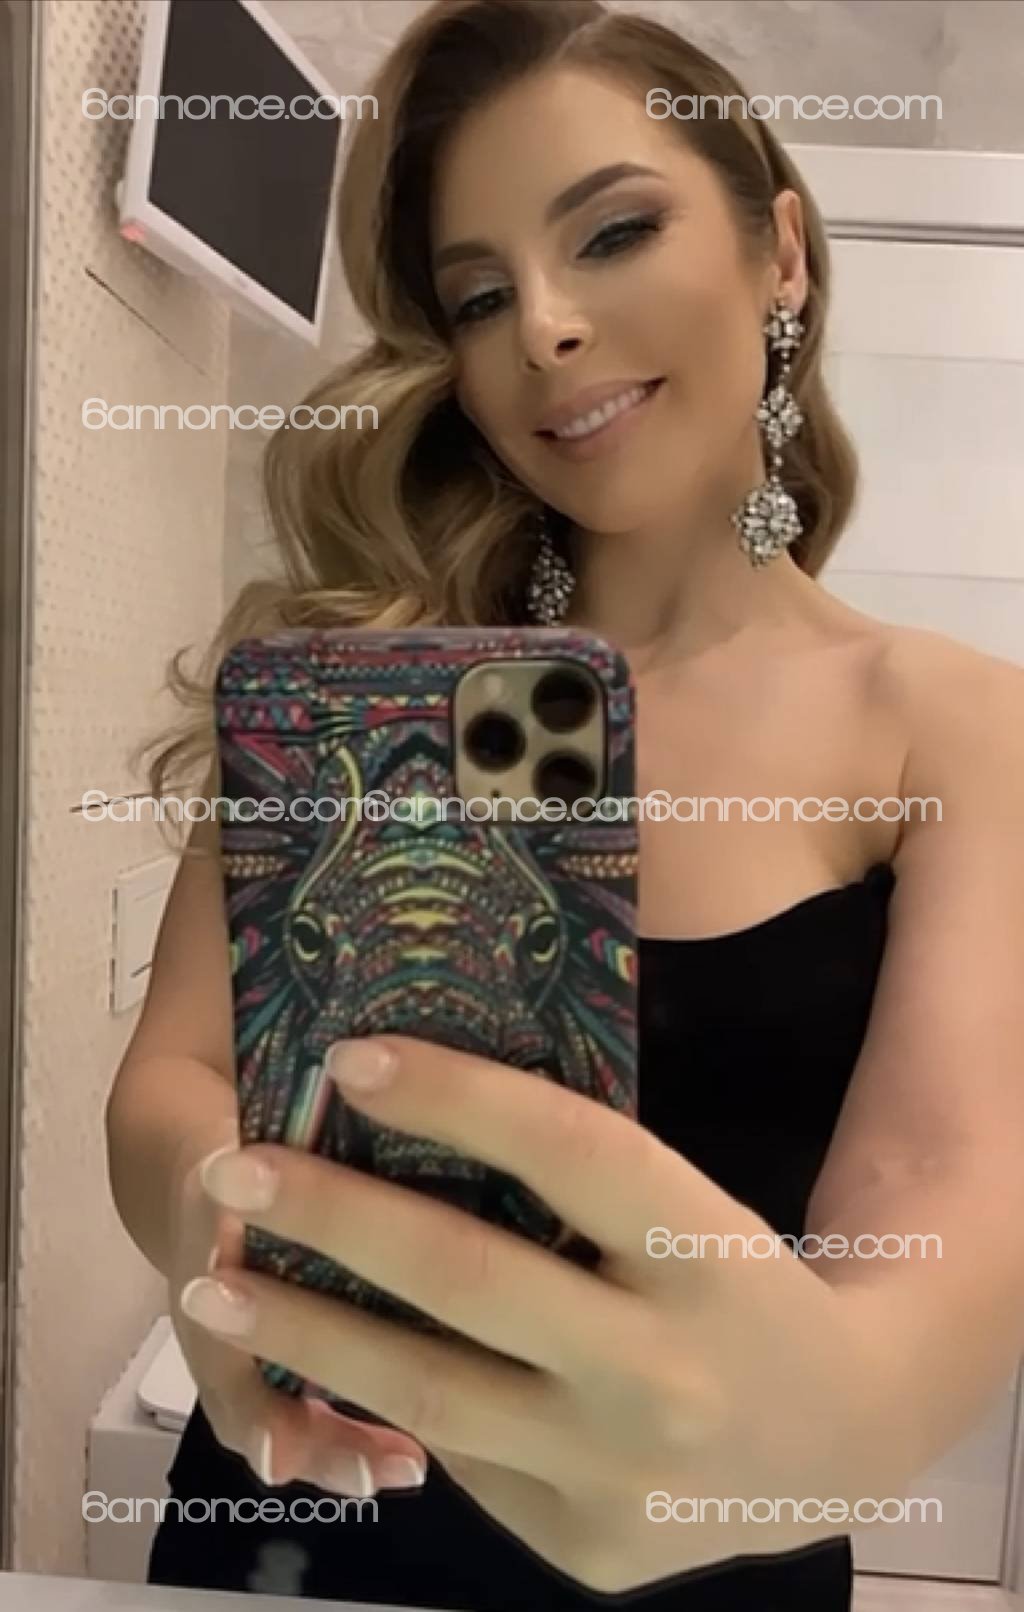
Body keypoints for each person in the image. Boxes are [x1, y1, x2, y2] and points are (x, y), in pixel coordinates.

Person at [105, 1, 1024, 1608]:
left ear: (780, 254)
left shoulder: (951, 729)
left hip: (714, 1552)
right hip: (299, 1514)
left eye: (611, 232)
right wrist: (222, 1234)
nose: (542, 326)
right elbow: (174, 1076)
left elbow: (927, 1223)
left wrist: (846, 1418)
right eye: (478, 295)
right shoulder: (362, 684)